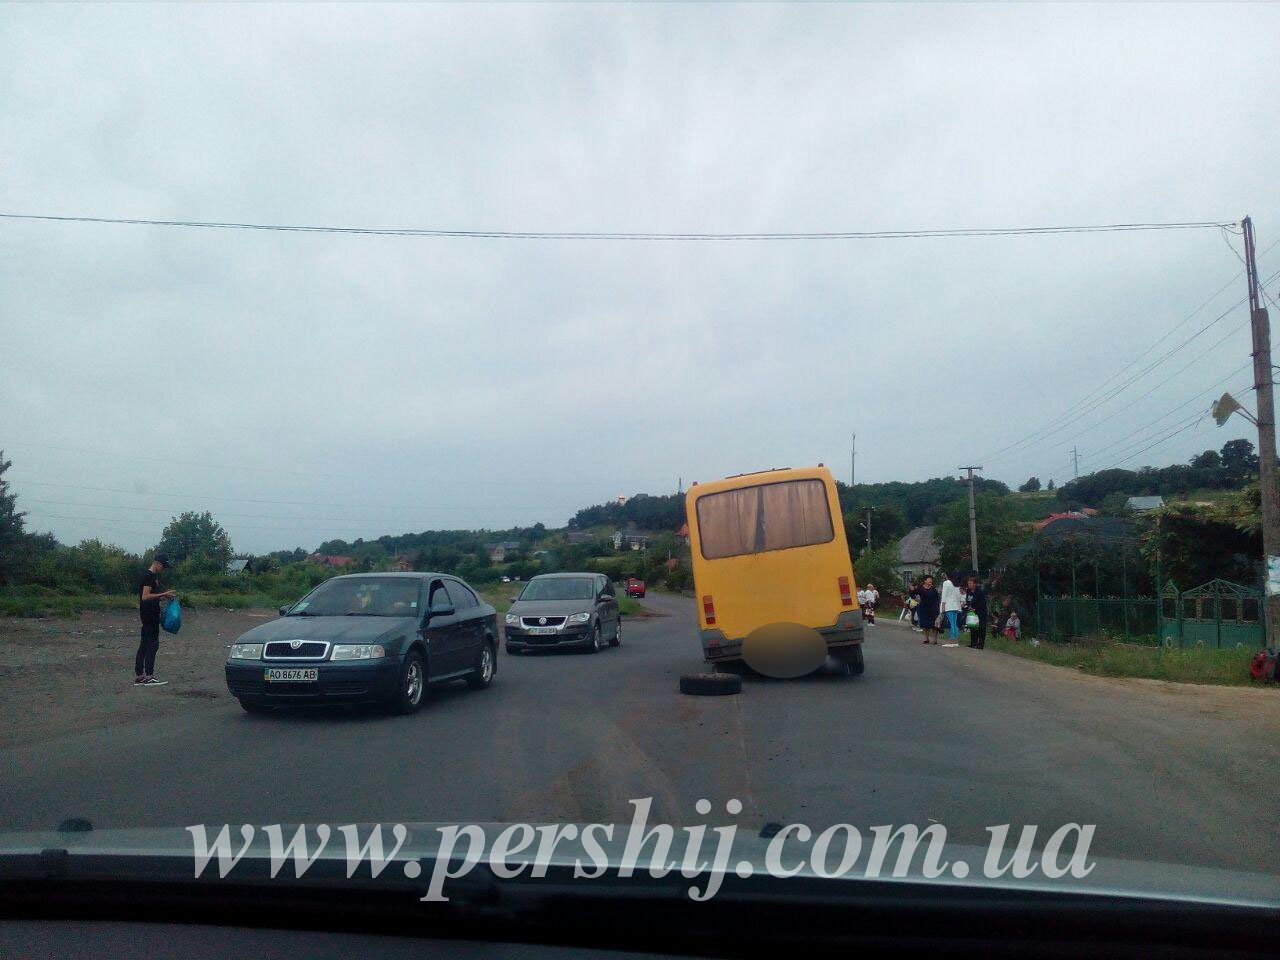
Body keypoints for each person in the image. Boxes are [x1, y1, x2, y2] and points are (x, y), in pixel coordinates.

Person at [136, 554, 176, 686]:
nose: (163, 568)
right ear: (157, 563)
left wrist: (164, 597)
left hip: (149, 614)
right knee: (152, 645)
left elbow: (153, 596)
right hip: (149, 615)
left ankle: (140, 676)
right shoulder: (148, 576)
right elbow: (145, 597)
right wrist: (164, 594)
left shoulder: (153, 577)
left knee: (144, 644)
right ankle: (149, 676)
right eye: (163, 566)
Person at [964, 573, 988, 649]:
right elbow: (968, 600)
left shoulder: (980, 591)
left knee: (981, 628)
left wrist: (975, 608)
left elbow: (982, 602)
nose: (969, 585)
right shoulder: (968, 591)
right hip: (972, 613)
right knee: (973, 627)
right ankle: (973, 643)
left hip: (980, 612)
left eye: (970, 583)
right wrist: (968, 606)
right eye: (968, 583)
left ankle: (980, 644)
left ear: (975, 584)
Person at [915, 575, 941, 644]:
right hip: (923, 608)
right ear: (925, 581)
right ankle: (926, 638)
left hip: (933, 608)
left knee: (934, 625)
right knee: (924, 624)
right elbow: (914, 594)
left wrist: (938, 606)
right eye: (929, 579)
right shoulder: (920, 588)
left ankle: (934, 639)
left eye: (931, 580)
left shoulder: (934, 589)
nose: (930, 581)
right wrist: (917, 598)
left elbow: (937, 598)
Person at [940, 572, 964, 643]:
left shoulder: (946, 583)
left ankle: (952, 638)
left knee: (951, 623)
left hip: (949, 605)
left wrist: (943, 606)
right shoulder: (957, 584)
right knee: (954, 622)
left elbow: (944, 595)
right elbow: (958, 596)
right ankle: (955, 638)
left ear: (947, 576)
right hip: (955, 606)